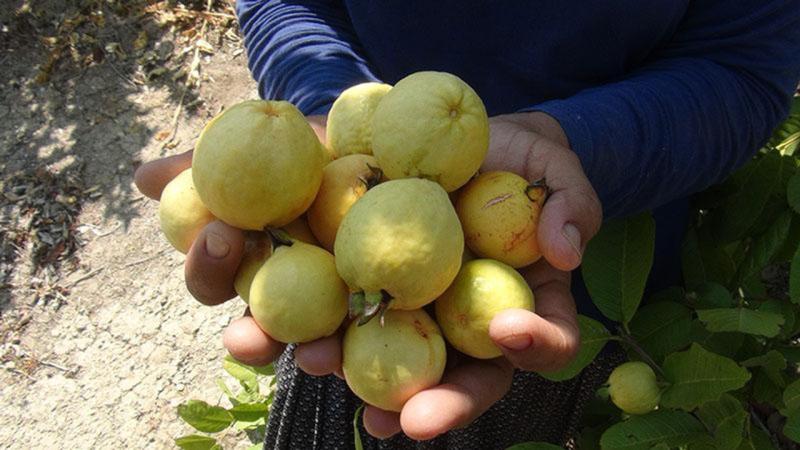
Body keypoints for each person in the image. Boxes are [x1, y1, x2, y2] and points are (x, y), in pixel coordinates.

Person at [135, 1, 800, 448]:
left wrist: (573, 145)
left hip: (576, 265)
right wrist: (322, 115)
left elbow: (742, 65)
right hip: (352, 288)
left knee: (528, 414)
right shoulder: (346, 248)